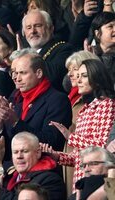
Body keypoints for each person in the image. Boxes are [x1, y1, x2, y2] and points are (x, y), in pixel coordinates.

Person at [0, 48, 72, 153]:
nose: (16, 78)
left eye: (22, 73)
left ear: (38, 73)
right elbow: (7, 152)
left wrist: (16, 122)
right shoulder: (15, 100)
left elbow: (51, 142)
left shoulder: (57, 100)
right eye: (14, 73)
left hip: (43, 166)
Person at [49, 58, 115, 193]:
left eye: (84, 76)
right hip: (80, 180)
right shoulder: (84, 110)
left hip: (96, 180)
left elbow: (101, 147)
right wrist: (58, 156)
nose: (78, 81)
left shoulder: (106, 104)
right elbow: (80, 156)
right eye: (78, 76)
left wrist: (70, 136)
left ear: (97, 79)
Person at [0, 132, 66, 200]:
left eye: (25, 151)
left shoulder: (51, 180)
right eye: (15, 152)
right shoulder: (10, 177)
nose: (19, 156)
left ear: (38, 153)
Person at [22, 9, 74, 91]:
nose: (33, 31)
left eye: (38, 26)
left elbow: (54, 77)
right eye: (29, 27)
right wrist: (2, 66)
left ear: (50, 29)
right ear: (24, 33)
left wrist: (25, 58)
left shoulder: (63, 48)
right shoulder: (23, 55)